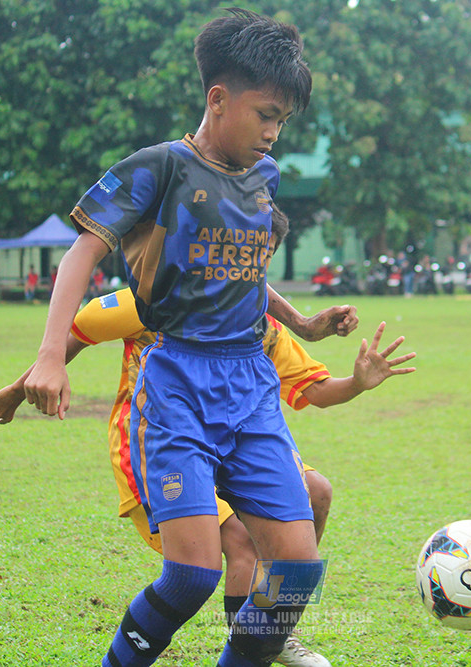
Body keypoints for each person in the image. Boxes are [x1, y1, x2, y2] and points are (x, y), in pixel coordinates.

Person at [21, 11, 356, 666]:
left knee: (296, 567)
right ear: (218, 98)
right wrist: (46, 357)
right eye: (265, 113)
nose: (273, 131)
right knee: (193, 575)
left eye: (283, 119)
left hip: (251, 387)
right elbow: (79, 257)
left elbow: (243, 270)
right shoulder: (158, 169)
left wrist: (302, 323)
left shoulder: (266, 178)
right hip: (178, 383)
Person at [0, 287, 415, 666]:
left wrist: (357, 382)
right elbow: (78, 330)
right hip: (161, 436)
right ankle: (251, 639)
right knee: (228, 551)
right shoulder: (151, 297)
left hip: (238, 434)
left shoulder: (259, 318)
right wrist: (21, 388)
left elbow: (315, 389)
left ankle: (267, 633)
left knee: (316, 492)